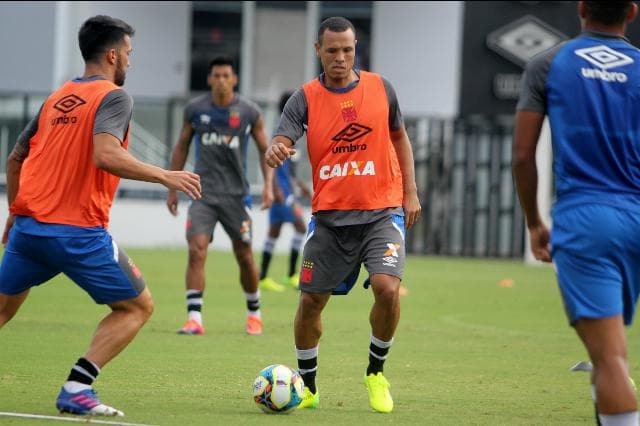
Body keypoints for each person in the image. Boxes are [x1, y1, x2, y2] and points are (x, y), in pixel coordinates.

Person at [0, 15, 201, 417]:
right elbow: (106, 155)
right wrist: (165, 175)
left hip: (29, 230)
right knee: (137, 307)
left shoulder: (56, 97)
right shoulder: (114, 96)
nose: (130, 60)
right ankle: (77, 386)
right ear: (112, 54)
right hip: (78, 234)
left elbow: (16, 157)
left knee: (3, 310)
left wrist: (16, 210)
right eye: (129, 53)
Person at [265, 16, 421, 413]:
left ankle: (375, 372)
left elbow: (400, 138)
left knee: (387, 288)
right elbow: (282, 137)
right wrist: (276, 149)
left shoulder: (381, 88)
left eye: (347, 50)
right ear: (318, 50)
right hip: (331, 220)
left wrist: (410, 192)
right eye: (332, 50)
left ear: (356, 50)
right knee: (310, 304)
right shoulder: (304, 97)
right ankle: (309, 386)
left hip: (382, 212)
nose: (340, 57)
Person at [513, 2, 640, 425]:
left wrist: (534, 222)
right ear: (633, 13)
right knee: (610, 352)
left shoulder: (549, 63)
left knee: (609, 360)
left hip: (587, 219)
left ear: (581, 8)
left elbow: (522, 156)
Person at [167, 56, 273, 336]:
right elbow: (181, 146)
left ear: (234, 79)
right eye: (217, 75)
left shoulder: (249, 111)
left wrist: (269, 186)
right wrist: (172, 187)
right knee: (196, 249)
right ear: (210, 79)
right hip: (202, 193)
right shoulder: (195, 109)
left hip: (237, 197)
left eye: (227, 75)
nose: (222, 80)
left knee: (244, 255)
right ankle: (194, 318)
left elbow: (266, 150)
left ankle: (254, 314)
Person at [258, 91, 313, 292]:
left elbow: (288, 169)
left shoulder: (294, 132)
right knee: (300, 228)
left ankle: (263, 276)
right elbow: (270, 163)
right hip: (283, 193)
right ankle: (291, 275)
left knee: (274, 232)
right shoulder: (282, 133)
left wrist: (302, 186)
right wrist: (276, 189)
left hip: (285, 190)